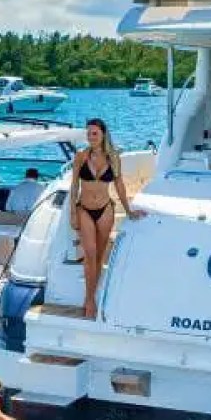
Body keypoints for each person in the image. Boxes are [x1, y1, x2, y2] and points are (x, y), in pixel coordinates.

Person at [69, 118, 146, 318]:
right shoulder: (80, 156)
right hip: (84, 209)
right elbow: (74, 186)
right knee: (90, 254)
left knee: (100, 255)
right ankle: (89, 300)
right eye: (88, 133)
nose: (90, 137)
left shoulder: (113, 158)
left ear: (103, 134)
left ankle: (93, 296)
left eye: (94, 133)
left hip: (105, 210)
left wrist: (128, 211)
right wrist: (72, 213)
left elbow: (119, 185)